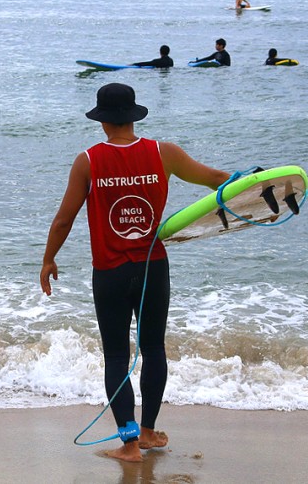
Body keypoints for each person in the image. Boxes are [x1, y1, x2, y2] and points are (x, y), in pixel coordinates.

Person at [39, 83, 229, 463]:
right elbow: (214, 179)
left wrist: (48, 260)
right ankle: (148, 431)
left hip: (109, 271)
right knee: (154, 347)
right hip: (152, 268)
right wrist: (258, 184)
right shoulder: (165, 153)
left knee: (115, 355)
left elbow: (64, 220)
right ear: (133, 115)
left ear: (103, 120)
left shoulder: (88, 161)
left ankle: (129, 444)